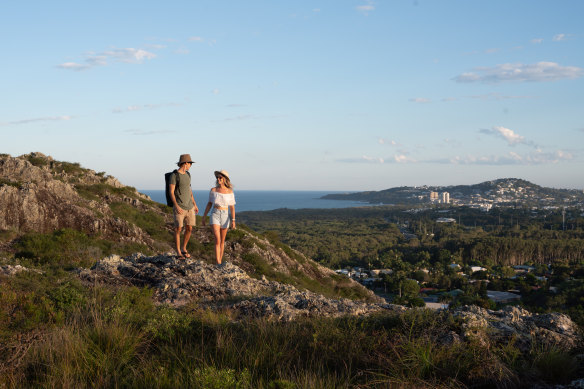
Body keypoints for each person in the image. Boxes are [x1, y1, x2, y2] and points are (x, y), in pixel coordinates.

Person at [202, 170, 236, 266]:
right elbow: (209, 204)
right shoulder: (213, 190)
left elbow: (232, 207)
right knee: (217, 239)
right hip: (215, 214)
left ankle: (220, 262)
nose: (218, 179)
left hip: (225, 215)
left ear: (225, 179)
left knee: (222, 241)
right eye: (217, 177)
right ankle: (218, 262)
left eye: (220, 177)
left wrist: (233, 220)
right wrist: (204, 216)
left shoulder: (230, 192)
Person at [169, 154, 199, 259]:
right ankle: (178, 252)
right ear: (185, 163)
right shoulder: (174, 176)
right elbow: (171, 192)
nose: (190, 165)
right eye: (190, 163)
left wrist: (194, 204)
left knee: (189, 228)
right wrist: (176, 205)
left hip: (189, 206)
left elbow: (189, 191)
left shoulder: (188, 175)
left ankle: (184, 248)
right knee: (178, 229)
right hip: (180, 207)